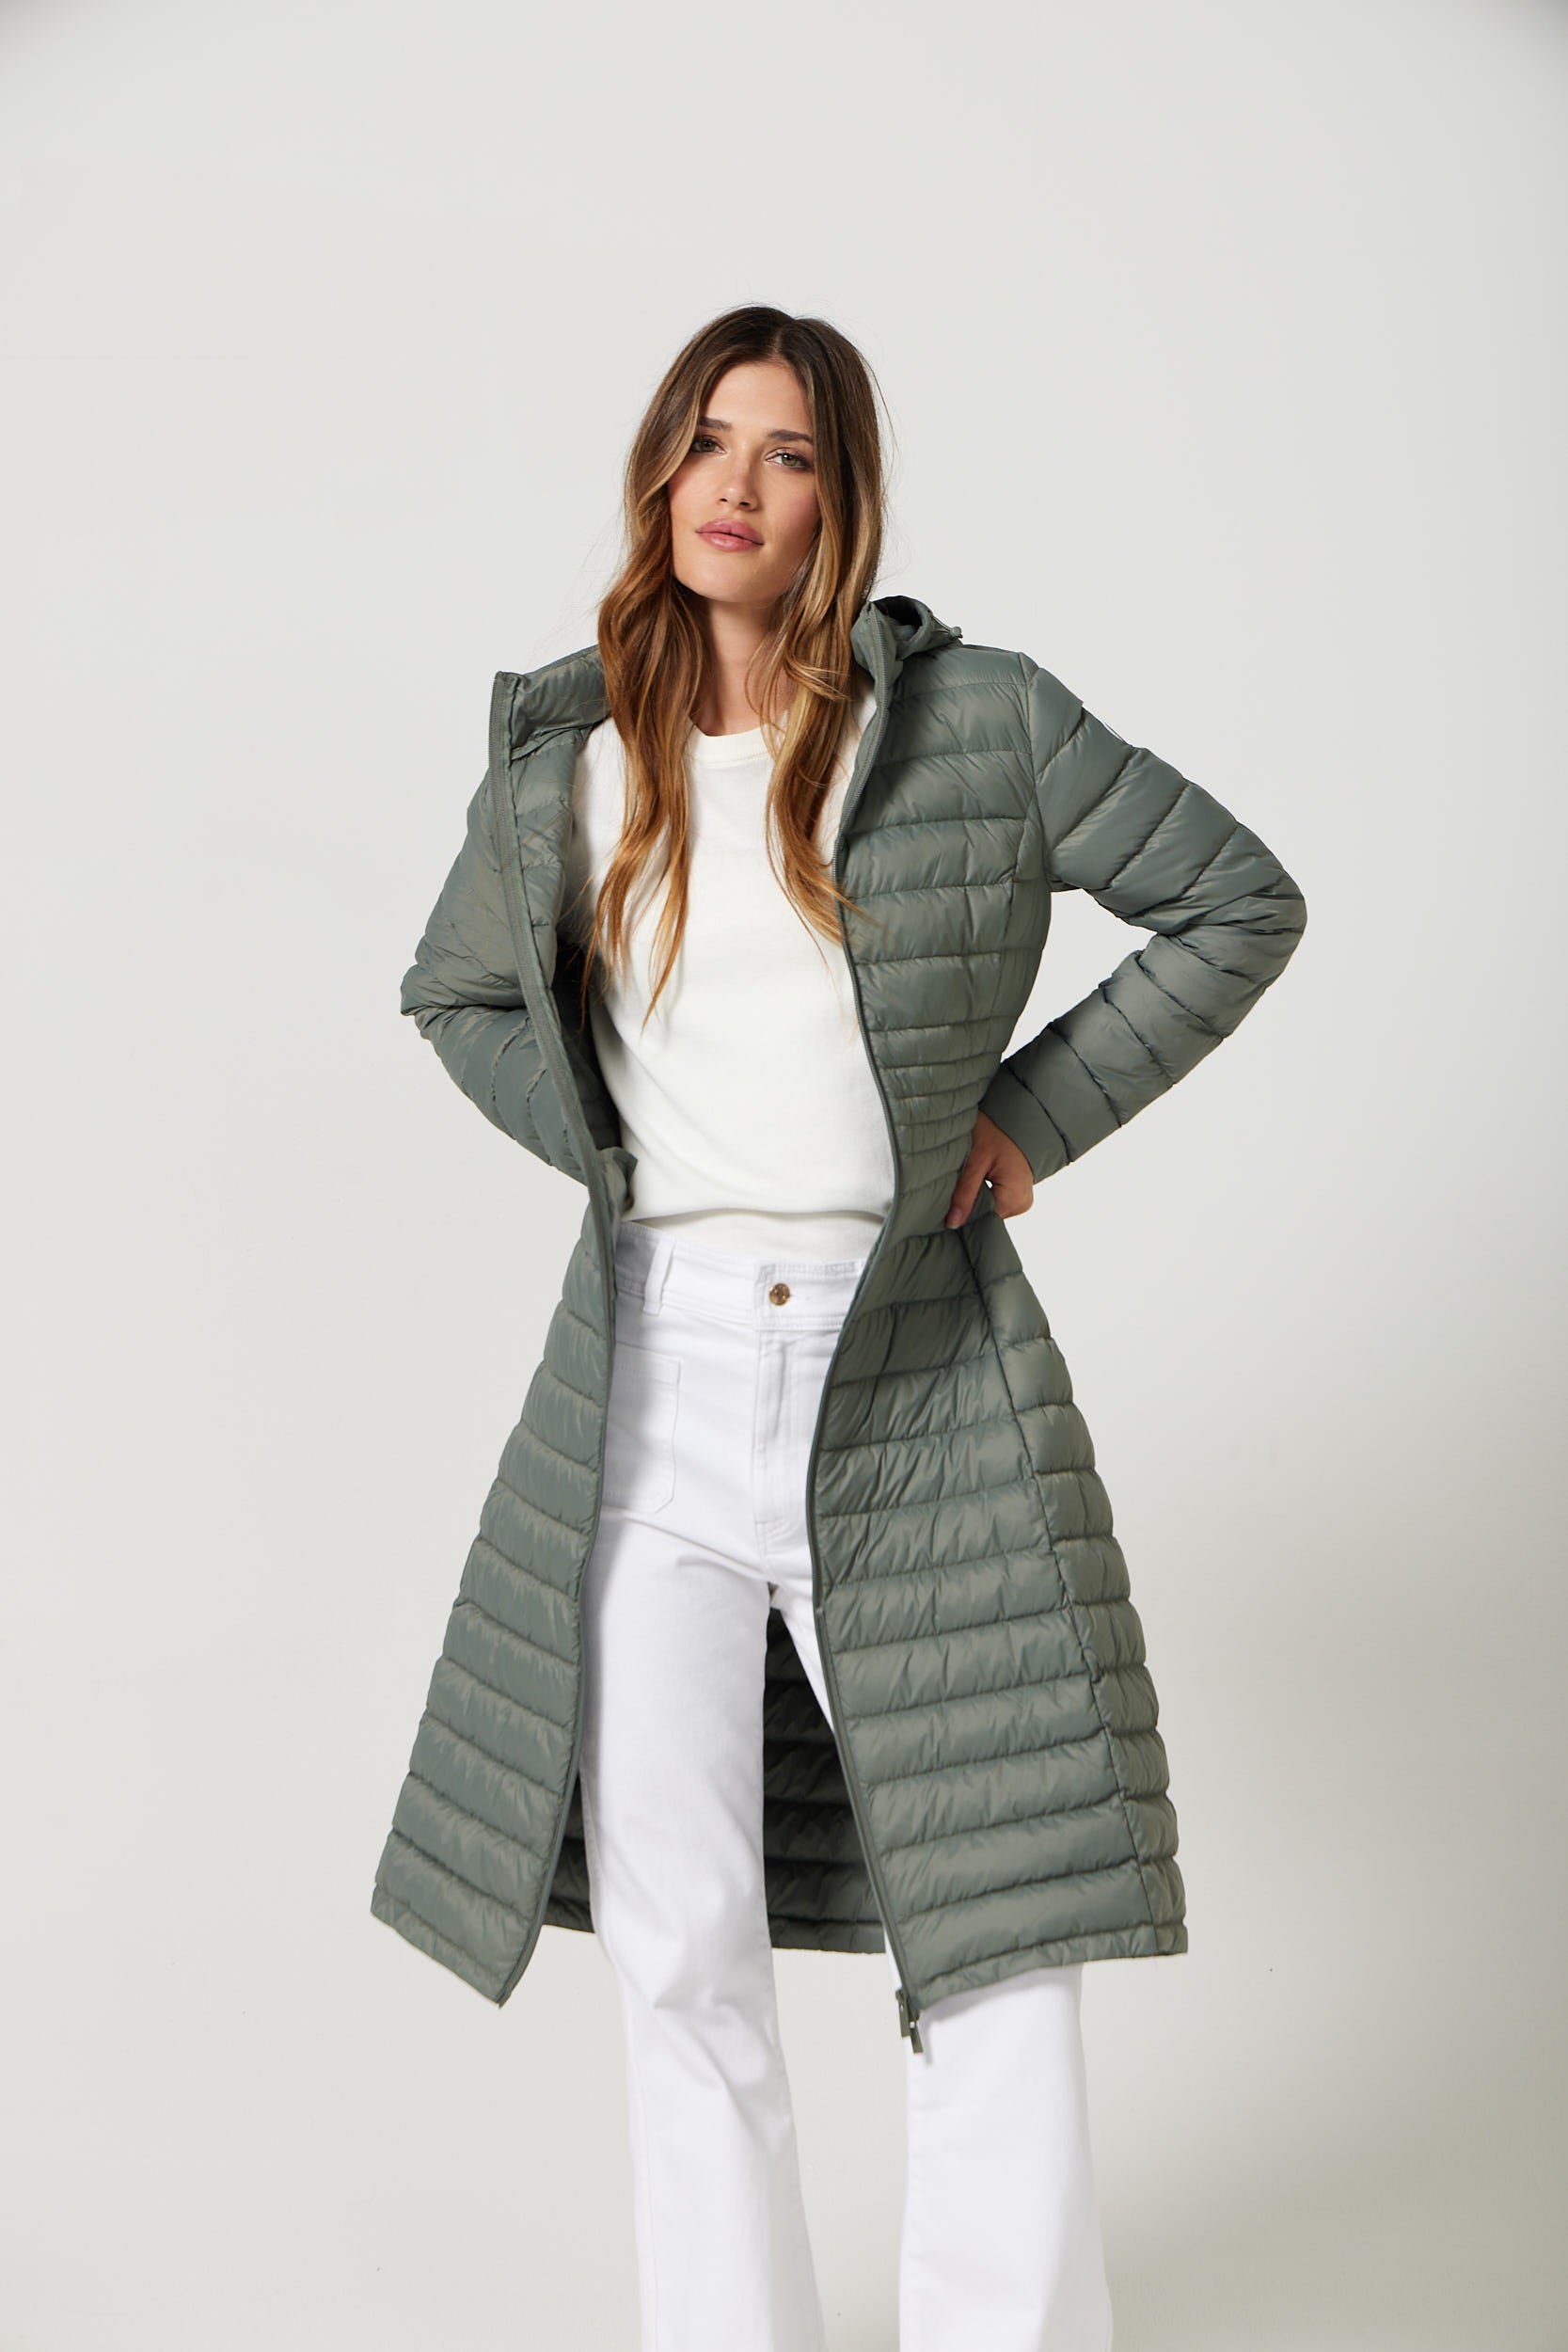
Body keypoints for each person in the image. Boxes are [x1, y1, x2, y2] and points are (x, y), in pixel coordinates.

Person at [371, 303, 1308, 2352]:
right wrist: (608, 1146)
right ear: (659, 472)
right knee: (681, 1945)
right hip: (652, 1382)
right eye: (707, 439)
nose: (736, 483)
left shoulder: (983, 721)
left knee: (1000, 1934)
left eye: (786, 451)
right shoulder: (570, 771)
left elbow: (1239, 899)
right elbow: (452, 994)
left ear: (839, 498)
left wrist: (1030, 1117)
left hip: (912, 1372)